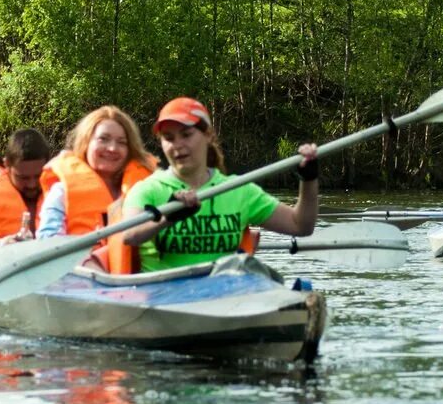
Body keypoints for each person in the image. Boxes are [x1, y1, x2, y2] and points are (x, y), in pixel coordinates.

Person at [113, 97, 318, 273]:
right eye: (169, 138)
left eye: (186, 134)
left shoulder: (239, 190)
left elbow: (301, 225)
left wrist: (308, 179)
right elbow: (129, 236)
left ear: (208, 135)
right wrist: (168, 218)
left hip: (223, 294)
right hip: (164, 296)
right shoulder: (147, 190)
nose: (178, 145)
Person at [36, 106, 158, 238]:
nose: (112, 148)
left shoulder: (147, 187)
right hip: (80, 258)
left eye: (121, 142)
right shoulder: (61, 191)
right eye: (103, 139)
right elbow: (48, 240)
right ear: (86, 142)